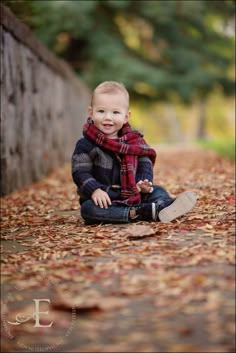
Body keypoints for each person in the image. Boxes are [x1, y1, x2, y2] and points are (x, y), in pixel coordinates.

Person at [71, 81, 197, 224]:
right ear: (91, 113)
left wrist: (143, 182)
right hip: (105, 198)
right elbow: (80, 172)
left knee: (158, 191)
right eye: (101, 111)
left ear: (126, 116)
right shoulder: (86, 144)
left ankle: (163, 206)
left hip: (134, 193)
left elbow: (145, 162)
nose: (108, 117)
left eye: (115, 112)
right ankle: (142, 212)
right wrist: (95, 190)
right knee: (88, 210)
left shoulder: (134, 141)